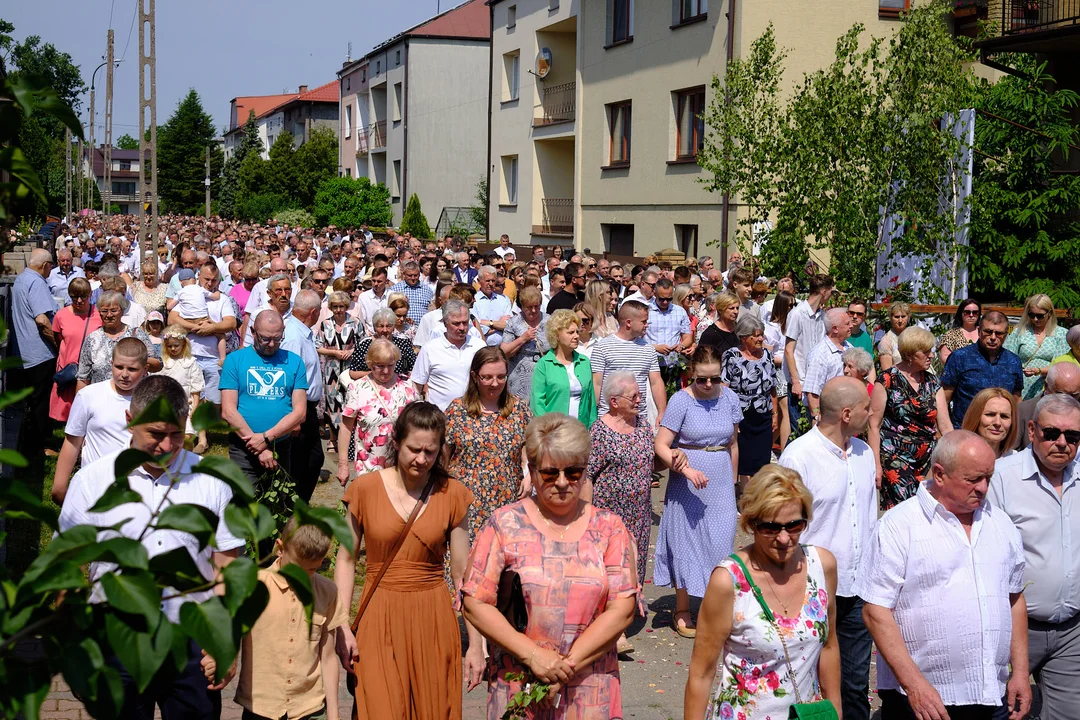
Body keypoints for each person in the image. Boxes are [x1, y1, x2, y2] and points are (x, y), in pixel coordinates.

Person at [58, 375, 245, 718]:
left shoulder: (214, 480)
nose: (166, 446)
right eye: (156, 434)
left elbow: (227, 568)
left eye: (176, 434)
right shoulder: (92, 482)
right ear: (130, 421)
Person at [461, 413, 639, 719]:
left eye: (573, 472)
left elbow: (623, 608)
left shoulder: (610, 528)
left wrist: (563, 666)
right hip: (519, 684)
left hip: (590, 687)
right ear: (531, 469)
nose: (561, 482)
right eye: (548, 473)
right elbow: (475, 601)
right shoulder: (504, 524)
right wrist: (533, 656)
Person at [856, 430, 1030, 720]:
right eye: (973, 479)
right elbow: (875, 610)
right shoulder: (899, 525)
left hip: (993, 695)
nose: (984, 488)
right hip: (924, 701)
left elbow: (1014, 599)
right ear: (940, 474)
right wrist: (914, 685)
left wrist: (1021, 672)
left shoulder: (1001, 524)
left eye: (989, 477)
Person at [334, 402, 475, 720]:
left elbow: (462, 572)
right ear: (396, 441)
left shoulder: (453, 494)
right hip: (379, 613)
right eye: (414, 449)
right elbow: (345, 560)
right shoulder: (364, 489)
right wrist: (341, 624)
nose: (422, 459)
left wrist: (476, 641)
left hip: (433, 615)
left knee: (433, 708)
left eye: (431, 451)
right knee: (380, 706)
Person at [684, 464, 841, 720]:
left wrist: (835, 712)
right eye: (770, 528)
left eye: (794, 526)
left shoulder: (822, 567)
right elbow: (701, 673)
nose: (783, 538)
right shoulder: (729, 581)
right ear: (751, 524)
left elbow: (829, 646)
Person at [779, 377, 877, 720]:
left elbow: (868, 518)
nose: (872, 413)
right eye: (867, 408)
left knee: (854, 684)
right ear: (847, 414)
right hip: (812, 588)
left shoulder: (865, 453)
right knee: (806, 682)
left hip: (859, 586)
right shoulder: (799, 457)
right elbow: (782, 525)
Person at [989, 393, 1080, 720]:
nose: (1062, 443)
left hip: (1072, 630)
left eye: (1073, 436)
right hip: (1010, 627)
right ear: (1031, 430)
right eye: (1051, 433)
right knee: (1000, 711)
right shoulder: (1002, 477)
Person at [653, 345, 743, 639]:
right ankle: (682, 608)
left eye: (714, 379)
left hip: (719, 481)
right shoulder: (681, 401)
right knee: (686, 542)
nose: (708, 384)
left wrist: (732, 485)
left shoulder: (729, 397)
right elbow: (661, 445)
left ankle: (713, 605)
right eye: (702, 378)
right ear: (692, 374)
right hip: (687, 481)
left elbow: (732, 444)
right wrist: (686, 470)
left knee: (721, 542)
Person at [234, 519, 346, 720]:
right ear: (280, 548)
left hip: (310, 708)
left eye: (311, 570)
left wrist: (334, 712)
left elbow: (328, 656)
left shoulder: (328, 592)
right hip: (260, 708)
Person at [587, 371, 654, 653]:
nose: (640, 400)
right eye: (634, 397)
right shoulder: (599, 432)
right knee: (611, 570)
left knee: (633, 568)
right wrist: (587, 516)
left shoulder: (643, 426)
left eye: (640, 395)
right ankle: (613, 631)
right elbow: (587, 476)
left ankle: (622, 617)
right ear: (614, 402)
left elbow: (654, 463)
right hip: (609, 515)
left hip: (638, 513)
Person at [445, 347, 532, 540]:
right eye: (487, 377)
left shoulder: (519, 409)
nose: (495, 383)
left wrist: (528, 476)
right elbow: (443, 456)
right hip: (465, 502)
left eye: (501, 377)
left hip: (507, 500)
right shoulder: (457, 410)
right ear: (475, 376)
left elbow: (530, 449)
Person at [51, 338, 149, 504]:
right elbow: (73, 441)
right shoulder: (89, 395)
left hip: (137, 488)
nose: (124, 374)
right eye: (119, 367)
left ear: (145, 369)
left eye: (132, 369)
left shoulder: (151, 399)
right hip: (94, 485)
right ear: (111, 363)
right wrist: (60, 485)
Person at [220, 310, 307, 495]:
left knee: (278, 506)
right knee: (246, 504)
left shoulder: (294, 362)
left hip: (280, 446)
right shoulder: (235, 360)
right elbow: (228, 411)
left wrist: (266, 438)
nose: (271, 344)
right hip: (243, 446)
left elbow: (300, 413)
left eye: (277, 338)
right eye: (265, 338)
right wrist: (258, 446)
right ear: (253, 331)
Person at [870, 327, 953, 510]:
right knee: (903, 509)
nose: (931, 356)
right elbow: (873, 425)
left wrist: (956, 455)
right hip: (895, 456)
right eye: (925, 352)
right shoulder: (886, 380)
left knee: (927, 509)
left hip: (927, 458)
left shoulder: (933, 382)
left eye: (931, 350)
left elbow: (946, 426)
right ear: (908, 354)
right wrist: (876, 464)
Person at [336, 339, 418, 483]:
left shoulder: (408, 386)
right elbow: (345, 428)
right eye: (380, 366)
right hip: (369, 465)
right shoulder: (357, 388)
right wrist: (343, 465)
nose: (386, 371)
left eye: (390, 365)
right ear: (370, 364)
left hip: (403, 465)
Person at [10, 248, 57, 460]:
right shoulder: (37, 282)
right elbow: (42, 320)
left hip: (23, 352)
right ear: (45, 266)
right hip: (39, 353)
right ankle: (42, 445)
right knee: (42, 401)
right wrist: (57, 343)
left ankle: (30, 441)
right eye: (50, 266)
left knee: (29, 402)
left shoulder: (21, 279)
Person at [941, 310, 1024, 426]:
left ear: (1006, 335)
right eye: (988, 332)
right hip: (965, 431)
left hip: (1000, 432)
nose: (993, 337)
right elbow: (943, 399)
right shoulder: (960, 357)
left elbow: (1017, 401)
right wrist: (944, 430)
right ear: (979, 331)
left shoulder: (1014, 361)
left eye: (999, 333)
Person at [591, 300, 666, 426]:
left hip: (639, 419)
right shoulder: (603, 347)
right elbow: (596, 384)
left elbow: (656, 382)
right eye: (643, 321)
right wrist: (593, 414)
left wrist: (662, 411)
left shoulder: (648, 349)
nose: (647, 325)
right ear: (628, 322)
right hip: (609, 418)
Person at [281, 290, 325, 504]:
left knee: (313, 459)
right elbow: (288, 376)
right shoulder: (293, 336)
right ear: (314, 312)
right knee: (301, 462)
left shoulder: (302, 333)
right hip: (298, 408)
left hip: (307, 408)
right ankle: (292, 508)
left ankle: (298, 506)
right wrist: (293, 415)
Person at [722, 314, 778, 482]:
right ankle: (743, 500)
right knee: (744, 462)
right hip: (741, 417)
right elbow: (724, 389)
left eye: (762, 334)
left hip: (763, 416)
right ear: (744, 337)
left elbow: (773, 387)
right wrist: (730, 419)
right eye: (757, 335)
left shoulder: (767, 355)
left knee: (762, 462)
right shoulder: (732, 356)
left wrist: (775, 414)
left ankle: (757, 499)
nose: (761, 338)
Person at [410, 300, 487, 411]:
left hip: (473, 414)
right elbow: (417, 386)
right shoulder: (430, 349)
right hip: (440, 417)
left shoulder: (479, 346)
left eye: (465, 323)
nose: (462, 328)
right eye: (456, 323)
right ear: (445, 323)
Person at [76, 290, 160, 390]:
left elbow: (158, 364)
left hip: (132, 398)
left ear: (122, 311)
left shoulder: (137, 334)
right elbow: (83, 378)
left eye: (113, 310)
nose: (109, 315)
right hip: (101, 398)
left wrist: (137, 360)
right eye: (104, 311)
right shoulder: (92, 339)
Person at [784, 273, 834, 432]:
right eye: (831, 291)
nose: (830, 295)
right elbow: (788, 350)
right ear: (824, 292)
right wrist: (796, 381)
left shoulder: (822, 315)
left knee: (813, 431)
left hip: (815, 382)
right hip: (799, 383)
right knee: (798, 431)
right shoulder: (797, 314)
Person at [530, 309, 597, 427]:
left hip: (581, 431)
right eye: (571, 333)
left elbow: (591, 402)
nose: (576, 336)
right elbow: (537, 404)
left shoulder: (584, 362)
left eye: (577, 332)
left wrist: (593, 428)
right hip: (554, 433)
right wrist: (545, 432)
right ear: (556, 335)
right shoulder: (544, 364)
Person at [49, 277, 101, 423]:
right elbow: (58, 337)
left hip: (91, 370)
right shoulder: (61, 315)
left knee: (91, 412)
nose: (79, 301)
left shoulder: (98, 314)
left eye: (83, 296)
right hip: (69, 369)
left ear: (90, 294)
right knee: (69, 414)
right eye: (74, 297)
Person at [315, 290, 361, 453]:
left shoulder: (355, 322)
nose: (339, 310)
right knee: (333, 404)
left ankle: (350, 441)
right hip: (332, 368)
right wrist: (333, 352)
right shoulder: (325, 324)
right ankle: (334, 439)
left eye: (341, 306)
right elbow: (318, 346)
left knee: (350, 402)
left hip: (350, 368)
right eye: (335, 307)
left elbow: (363, 345)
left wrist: (353, 351)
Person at [1005, 293, 1069, 400]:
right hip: (1021, 389)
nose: (1035, 319)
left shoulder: (1061, 334)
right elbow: (1007, 357)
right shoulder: (1020, 331)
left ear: (1049, 313)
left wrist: (1039, 371)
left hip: (1049, 388)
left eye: (1040, 316)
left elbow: (1061, 367)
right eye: (1031, 315)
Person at [803, 307, 853, 424]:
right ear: (835, 329)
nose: (851, 326)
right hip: (827, 417)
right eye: (847, 323)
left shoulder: (849, 347)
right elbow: (812, 392)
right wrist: (817, 419)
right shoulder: (819, 355)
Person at [1014, 361, 1080, 449]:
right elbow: (1011, 452)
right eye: (1060, 394)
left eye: (1073, 395)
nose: (1066, 400)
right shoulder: (1023, 411)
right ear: (1046, 386)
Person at [499, 286, 549, 400]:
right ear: (521, 306)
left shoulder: (549, 321)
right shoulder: (513, 322)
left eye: (536, 306)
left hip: (545, 372)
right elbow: (503, 352)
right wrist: (522, 339)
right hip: (519, 376)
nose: (533, 310)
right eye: (529, 307)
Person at [157, 325, 205, 441]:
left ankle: (187, 455)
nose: (173, 349)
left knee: (187, 435)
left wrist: (195, 406)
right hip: (168, 403)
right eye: (169, 346)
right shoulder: (164, 362)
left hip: (186, 402)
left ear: (183, 344)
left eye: (176, 345)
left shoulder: (190, 362)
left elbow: (196, 386)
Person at [646, 278, 693, 387]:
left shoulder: (679, 311)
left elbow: (688, 337)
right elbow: (636, 340)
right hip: (651, 366)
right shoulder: (646, 310)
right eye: (661, 299)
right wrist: (655, 348)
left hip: (673, 364)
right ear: (654, 293)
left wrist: (681, 346)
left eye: (669, 299)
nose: (665, 302)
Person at [348, 307, 417, 379]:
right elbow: (353, 373)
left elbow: (415, 369)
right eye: (381, 326)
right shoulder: (364, 345)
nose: (385, 330)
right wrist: (375, 374)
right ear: (374, 328)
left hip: (397, 386)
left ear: (393, 327)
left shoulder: (403, 343)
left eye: (388, 326)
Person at [766, 290, 796, 450]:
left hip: (793, 371)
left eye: (795, 305)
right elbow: (768, 355)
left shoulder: (792, 326)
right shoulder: (772, 328)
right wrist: (788, 359)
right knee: (784, 411)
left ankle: (766, 446)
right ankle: (785, 452)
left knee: (784, 411)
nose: (793, 308)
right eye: (790, 305)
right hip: (779, 371)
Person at [962, 387, 1019, 459]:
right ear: (975, 417)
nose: (997, 423)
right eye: (990, 414)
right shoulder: (958, 457)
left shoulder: (1015, 459)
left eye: (1004, 416)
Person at [473, 265, 513, 346]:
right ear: (479, 281)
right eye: (487, 281)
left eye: (493, 281)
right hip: (482, 348)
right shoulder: (473, 301)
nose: (491, 284)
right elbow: (477, 328)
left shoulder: (504, 299)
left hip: (503, 348)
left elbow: (509, 324)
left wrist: (489, 323)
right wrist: (499, 324)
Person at [938, 298, 981, 365]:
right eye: (967, 312)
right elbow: (945, 358)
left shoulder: (985, 333)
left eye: (975, 312)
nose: (971, 315)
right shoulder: (951, 335)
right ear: (961, 313)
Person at [698, 292, 741, 357]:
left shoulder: (740, 330)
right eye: (731, 308)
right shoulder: (709, 334)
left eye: (737, 308)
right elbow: (702, 359)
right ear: (721, 309)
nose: (736, 312)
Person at [876, 301, 911, 372]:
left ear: (908, 317)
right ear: (891, 318)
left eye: (903, 316)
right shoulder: (886, 341)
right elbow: (887, 372)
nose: (900, 320)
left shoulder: (914, 335)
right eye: (897, 317)